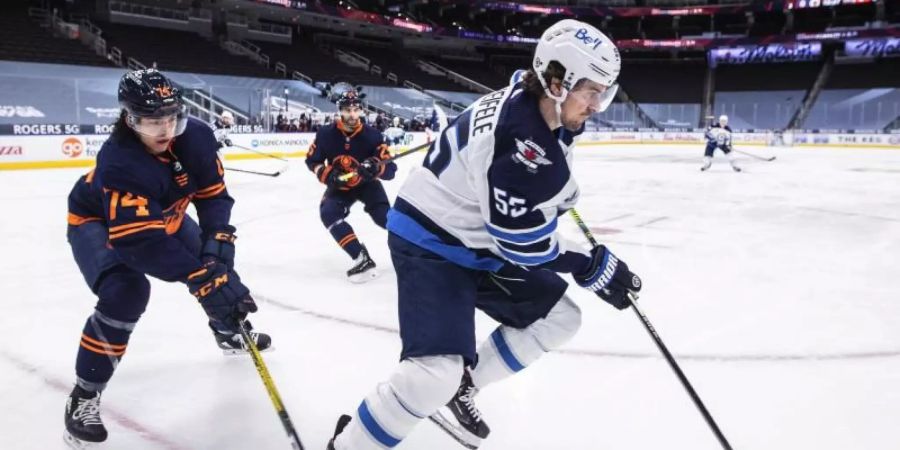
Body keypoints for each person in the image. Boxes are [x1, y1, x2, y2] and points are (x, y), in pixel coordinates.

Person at [326, 19, 642, 450]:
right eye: (591, 90)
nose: (596, 103)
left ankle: (464, 386)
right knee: (432, 376)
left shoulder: (533, 99)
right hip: (431, 243)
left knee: (560, 318)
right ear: (555, 81)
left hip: (474, 240)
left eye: (602, 92)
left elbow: (529, 191)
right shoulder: (520, 142)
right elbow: (523, 244)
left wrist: (552, 196)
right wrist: (590, 266)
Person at [63, 68, 270, 447]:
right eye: (151, 121)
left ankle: (227, 332)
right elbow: (140, 244)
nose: (163, 130)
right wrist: (198, 277)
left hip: (164, 216)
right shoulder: (121, 161)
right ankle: (84, 395)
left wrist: (218, 245)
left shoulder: (198, 138)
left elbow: (213, 197)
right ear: (129, 119)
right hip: (98, 222)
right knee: (126, 292)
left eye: (170, 118)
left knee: (218, 264)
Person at [305, 89, 397, 282]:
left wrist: (375, 168)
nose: (353, 114)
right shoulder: (325, 134)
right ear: (340, 111)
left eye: (356, 110)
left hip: (367, 185)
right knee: (328, 212)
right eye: (348, 110)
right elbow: (312, 161)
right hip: (341, 187)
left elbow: (390, 170)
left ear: (361, 111)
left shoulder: (373, 136)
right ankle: (360, 257)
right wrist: (327, 174)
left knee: (386, 220)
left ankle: (416, 249)